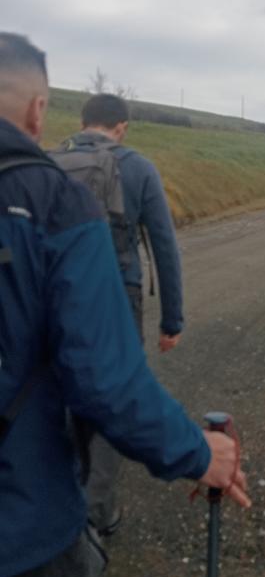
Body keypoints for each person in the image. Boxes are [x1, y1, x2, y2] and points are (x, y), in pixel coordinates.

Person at [0, 33, 251, 577]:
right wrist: (194, 452)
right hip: (23, 527)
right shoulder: (53, 199)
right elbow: (104, 379)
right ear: (39, 109)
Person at [56, 92, 185, 536]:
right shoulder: (138, 167)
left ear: (82, 121)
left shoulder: (50, 163)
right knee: (113, 396)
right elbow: (164, 247)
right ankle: (96, 511)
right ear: (122, 126)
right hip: (117, 295)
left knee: (64, 392)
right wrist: (173, 321)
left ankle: (64, 497)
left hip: (56, 297)